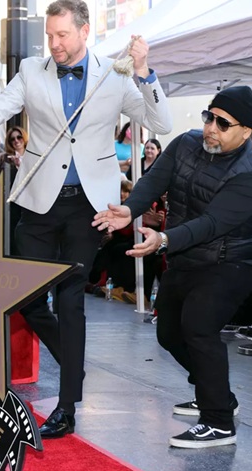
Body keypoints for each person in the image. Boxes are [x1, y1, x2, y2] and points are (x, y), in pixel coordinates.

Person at [0, 0, 172, 438]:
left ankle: (67, 404)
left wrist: (144, 70)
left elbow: (161, 121)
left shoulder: (114, 76)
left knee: (71, 298)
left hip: (90, 206)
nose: (54, 44)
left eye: (62, 35)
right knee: (25, 295)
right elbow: (2, 107)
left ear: (84, 31)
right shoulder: (31, 69)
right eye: (49, 36)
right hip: (37, 201)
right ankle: (74, 366)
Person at [93, 86, 252, 449]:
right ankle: (218, 394)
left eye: (223, 123)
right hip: (185, 256)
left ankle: (218, 422)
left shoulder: (248, 171)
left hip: (231, 261)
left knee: (199, 326)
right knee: (167, 333)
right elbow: (154, 180)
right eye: (208, 116)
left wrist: (163, 241)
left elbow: (212, 223)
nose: (211, 127)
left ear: (247, 131)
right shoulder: (185, 144)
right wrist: (130, 209)